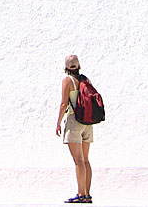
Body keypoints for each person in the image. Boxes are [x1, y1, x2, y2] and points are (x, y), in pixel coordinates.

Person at [56, 54, 93, 203]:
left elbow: (64, 103)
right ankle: (87, 194)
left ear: (65, 68)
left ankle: (80, 194)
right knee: (85, 160)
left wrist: (58, 122)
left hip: (74, 122)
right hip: (87, 123)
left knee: (78, 161)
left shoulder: (68, 81)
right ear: (79, 66)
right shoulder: (86, 80)